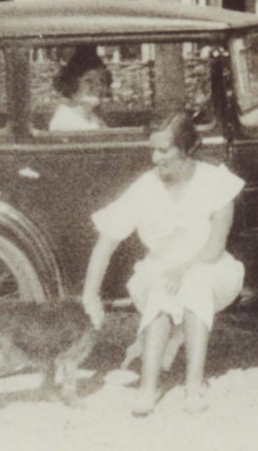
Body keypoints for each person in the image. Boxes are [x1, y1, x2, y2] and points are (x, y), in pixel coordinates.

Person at [81, 112, 244, 416]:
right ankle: (148, 386)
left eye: (163, 150)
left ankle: (193, 385)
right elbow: (107, 240)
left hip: (211, 268)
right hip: (158, 270)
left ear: (186, 149)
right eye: (152, 150)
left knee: (193, 282)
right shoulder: (146, 186)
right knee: (162, 286)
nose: (155, 158)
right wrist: (91, 294)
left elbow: (215, 247)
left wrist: (183, 268)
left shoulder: (216, 182)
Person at [48, 47, 110, 131]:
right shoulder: (65, 120)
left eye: (102, 81)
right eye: (89, 81)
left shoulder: (94, 119)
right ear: (72, 83)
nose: (98, 87)